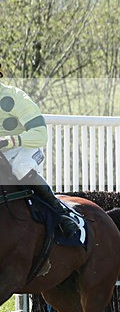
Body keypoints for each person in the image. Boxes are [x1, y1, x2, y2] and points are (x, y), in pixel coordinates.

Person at [0, 65, 81, 237]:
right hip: (2, 154)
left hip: (24, 150)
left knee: (21, 168)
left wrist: (9, 140)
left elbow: (40, 133)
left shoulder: (14, 97)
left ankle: (61, 214)